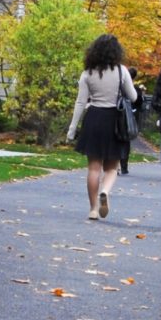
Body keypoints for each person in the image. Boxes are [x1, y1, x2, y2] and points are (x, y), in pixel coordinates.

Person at [66, 34, 141, 221]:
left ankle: (93, 209)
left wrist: (72, 129)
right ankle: (105, 192)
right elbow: (133, 97)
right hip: (114, 121)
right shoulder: (121, 71)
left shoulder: (87, 73)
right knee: (111, 167)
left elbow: (80, 102)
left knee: (93, 168)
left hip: (93, 119)